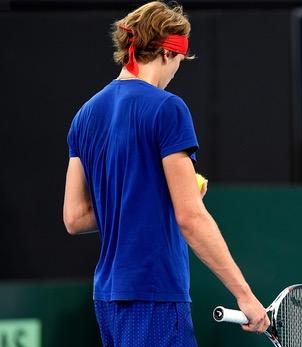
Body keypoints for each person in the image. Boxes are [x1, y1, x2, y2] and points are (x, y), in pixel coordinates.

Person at [62, 2, 269, 346]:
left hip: (107, 298)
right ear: (166, 54)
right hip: (155, 294)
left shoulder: (84, 115)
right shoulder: (168, 107)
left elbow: (75, 217)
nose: (176, 72)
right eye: (179, 62)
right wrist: (244, 294)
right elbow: (190, 217)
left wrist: (152, 196)